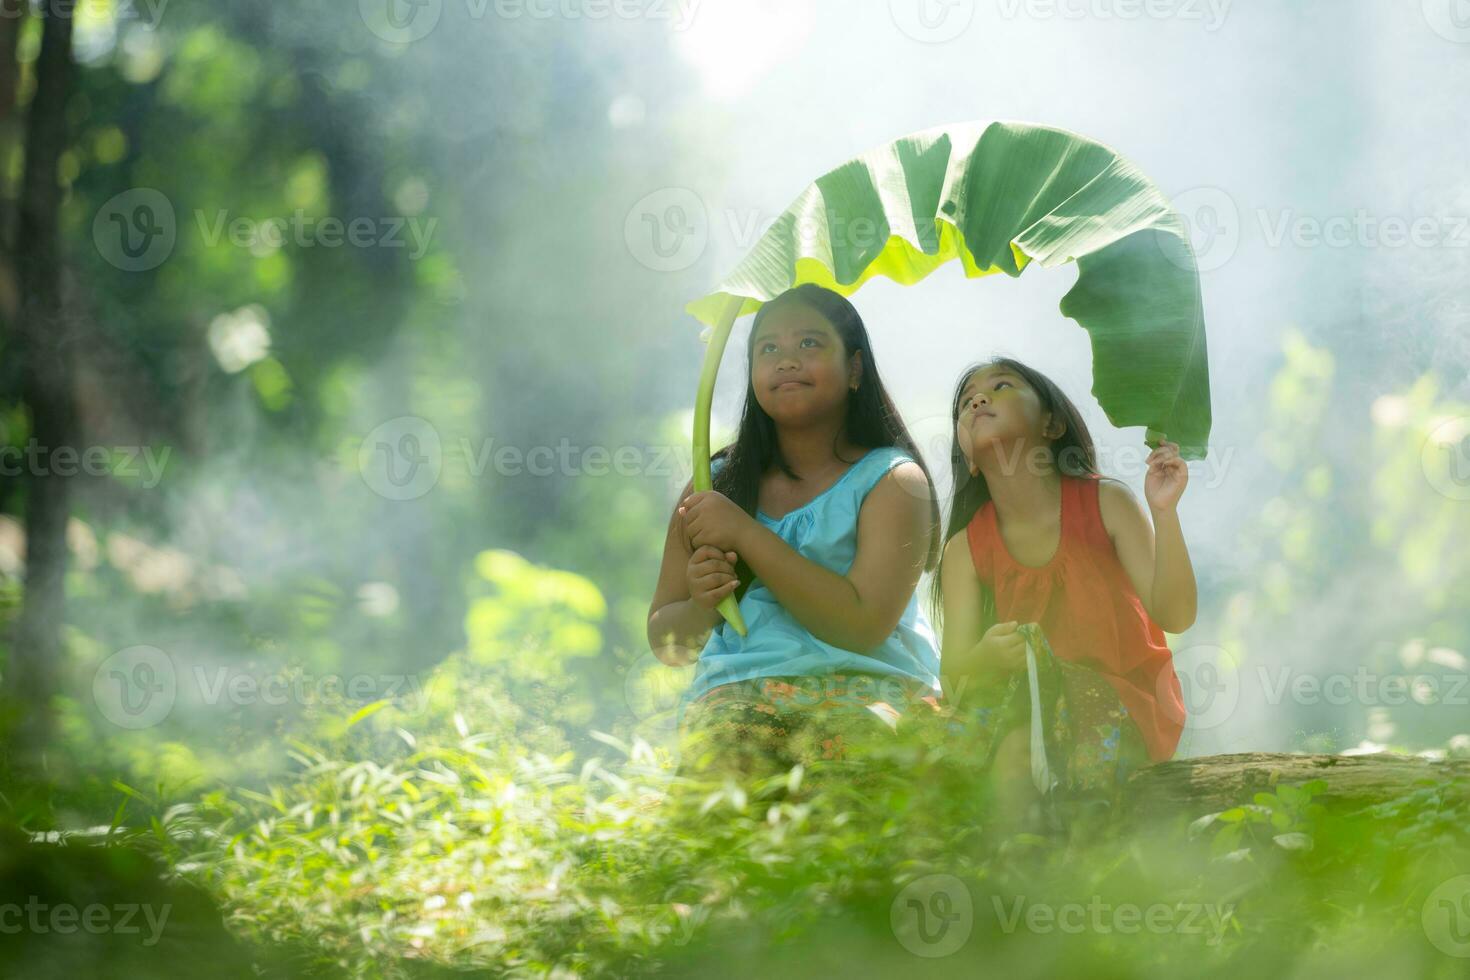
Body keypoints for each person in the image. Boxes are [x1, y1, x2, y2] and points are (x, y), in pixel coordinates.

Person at [646, 284, 943, 780]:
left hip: (870, 689)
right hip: (738, 695)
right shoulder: (714, 486)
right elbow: (667, 645)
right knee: (729, 764)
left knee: (852, 769)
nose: (786, 360)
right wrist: (702, 604)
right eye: (768, 349)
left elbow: (862, 627)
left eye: (809, 343)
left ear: (854, 369)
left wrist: (745, 535)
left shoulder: (893, 482)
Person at [930, 357, 1194, 832]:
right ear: (967, 454)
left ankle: (1061, 859)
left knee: (1026, 749)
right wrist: (987, 655)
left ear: (1051, 424)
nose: (977, 399)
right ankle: (1016, 878)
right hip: (1025, 713)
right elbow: (953, 670)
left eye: (1001, 386)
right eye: (967, 399)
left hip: (1120, 703)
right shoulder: (964, 549)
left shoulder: (1106, 502)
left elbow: (1175, 615)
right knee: (1005, 753)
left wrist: (1165, 512)